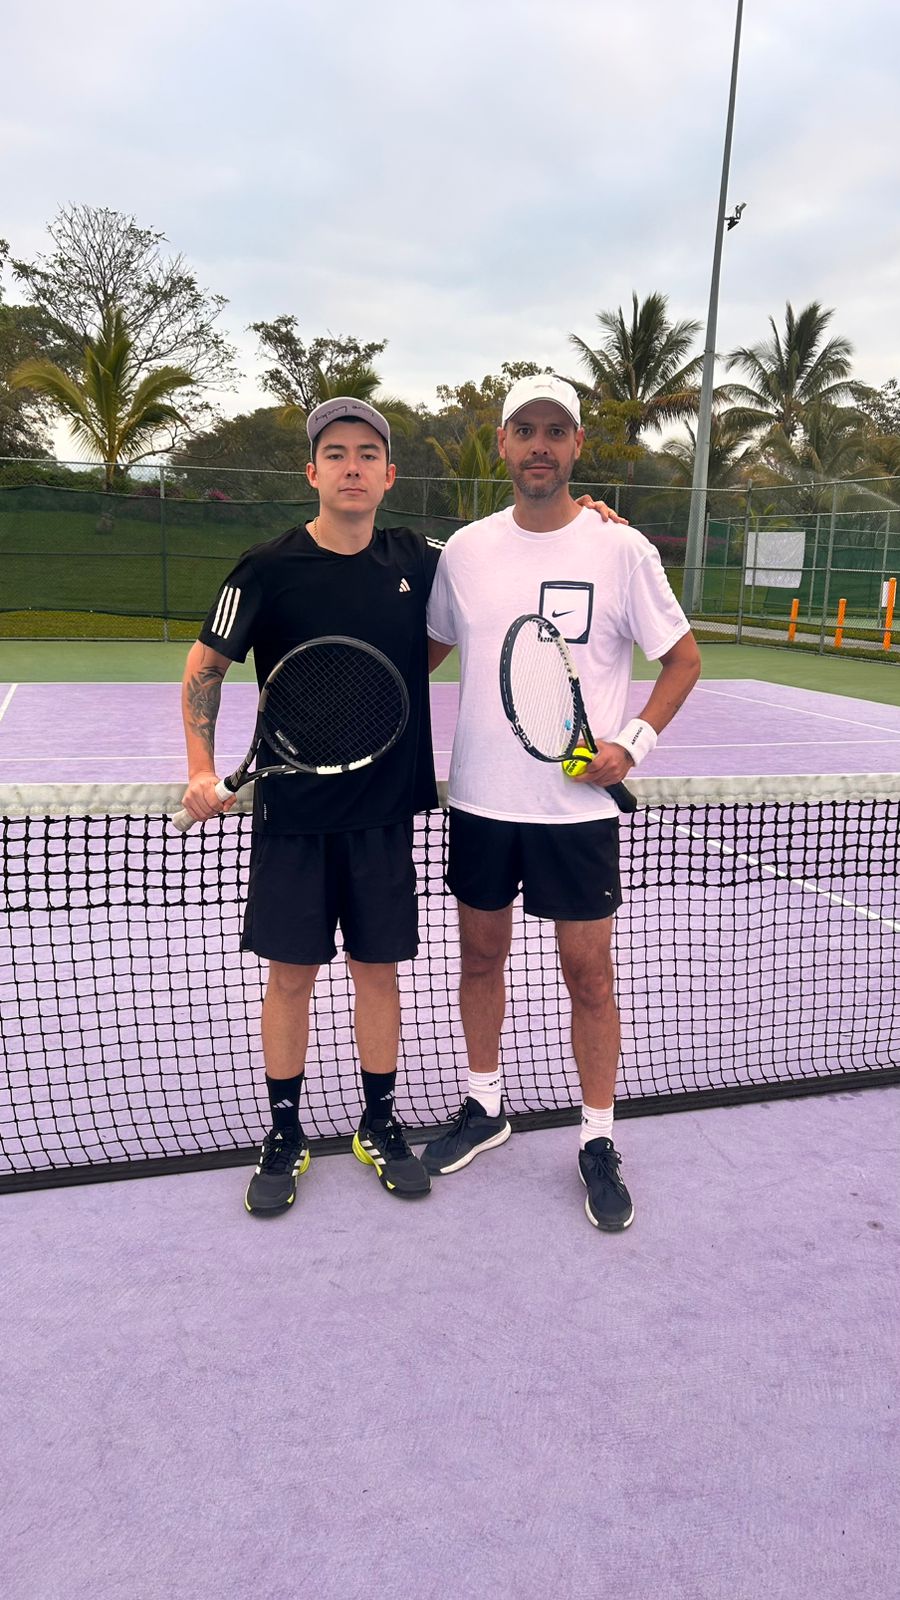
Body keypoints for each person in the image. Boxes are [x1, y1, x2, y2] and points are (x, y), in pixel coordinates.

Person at [421, 374, 702, 1232]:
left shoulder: (622, 550)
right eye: (524, 430)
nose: (539, 446)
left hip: (577, 814)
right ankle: (484, 1105)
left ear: (577, 444)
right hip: (481, 803)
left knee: (589, 977)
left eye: (555, 431)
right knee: (479, 960)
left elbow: (682, 659)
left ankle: (597, 1137)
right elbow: (425, 649)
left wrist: (632, 744)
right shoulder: (465, 551)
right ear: (503, 443)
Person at [180, 398, 438, 1213]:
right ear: (312, 472)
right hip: (291, 817)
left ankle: (378, 1123)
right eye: (336, 453)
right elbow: (204, 666)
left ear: (389, 475)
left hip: (382, 813)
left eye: (367, 453)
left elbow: (508, 551)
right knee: (290, 977)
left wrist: (590, 516)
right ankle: (286, 1132)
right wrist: (201, 768)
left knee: (377, 974)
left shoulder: (421, 558)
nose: (352, 466)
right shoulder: (264, 569)